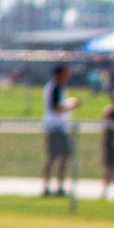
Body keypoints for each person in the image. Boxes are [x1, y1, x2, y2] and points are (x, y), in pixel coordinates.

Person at [41, 63, 79, 197]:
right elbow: (56, 107)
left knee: (63, 156)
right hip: (55, 127)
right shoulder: (54, 88)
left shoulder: (59, 88)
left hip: (60, 127)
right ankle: (47, 186)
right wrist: (70, 105)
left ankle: (58, 185)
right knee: (54, 157)